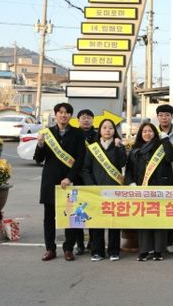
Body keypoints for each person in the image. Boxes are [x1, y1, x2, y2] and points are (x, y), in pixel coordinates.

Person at [35, 103, 86, 262]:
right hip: (50, 180)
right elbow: (39, 159)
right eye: (60, 112)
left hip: (69, 181)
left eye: (67, 113)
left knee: (71, 215)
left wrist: (70, 177)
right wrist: (40, 144)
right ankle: (50, 249)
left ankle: (68, 248)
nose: (63, 115)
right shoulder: (47, 133)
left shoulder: (78, 134)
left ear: (71, 116)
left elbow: (80, 159)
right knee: (49, 217)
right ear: (55, 114)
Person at [126, 122, 173, 261]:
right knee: (144, 220)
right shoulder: (135, 150)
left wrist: (165, 140)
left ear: (155, 133)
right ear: (140, 134)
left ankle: (159, 250)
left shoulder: (162, 146)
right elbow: (129, 170)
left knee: (159, 219)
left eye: (150, 131)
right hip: (142, 188)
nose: (147, 133)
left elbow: (171, 157)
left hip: (160, 187)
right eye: (144, 131)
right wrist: (131, 183)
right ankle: (144, 250)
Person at [81, 118, 127, 261]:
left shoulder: (119, 146)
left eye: (111, 128)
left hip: (114, 189)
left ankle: (114, 250)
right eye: (105, 127)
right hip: (96, 190)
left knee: (114, 221)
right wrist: (92, 186)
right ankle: (97, 251)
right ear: (100, 130)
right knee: (97, 221)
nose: (108, 130)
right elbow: (86, 169)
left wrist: (119, 148)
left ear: (115, 131)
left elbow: (122, 163)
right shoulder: (93, 148)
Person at [155, 104, 173, 254]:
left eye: (167, 115)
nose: (164, 118)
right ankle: (157, 242)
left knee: (171, 209)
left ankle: (170, 241)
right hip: (156, 176)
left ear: (172, 116)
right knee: (157, 210)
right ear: (157, 117)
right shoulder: (153, 132)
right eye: (161, 115)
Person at [75, 109, 96, 255]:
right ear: (78, 120)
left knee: (93, 211)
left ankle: (92, 242)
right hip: (76, 177)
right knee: (78, 213)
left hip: (93, 178)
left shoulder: (98, 134)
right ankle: (79, 243)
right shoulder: (74, 134)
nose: (86, 120)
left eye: (89, 117)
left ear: (93, 120)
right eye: (83, 117)